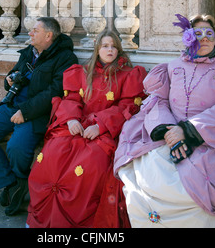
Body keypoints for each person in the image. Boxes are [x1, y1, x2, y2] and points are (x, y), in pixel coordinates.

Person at [114, 13, 215, 228]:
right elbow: (158, 101)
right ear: (188, 37)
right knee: (146, 177)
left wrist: (187, 131)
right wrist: (169, 131)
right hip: (168, 136)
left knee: (192, 192)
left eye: (209, 34)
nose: (204, 39)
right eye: (198, 33)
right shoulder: (172, 66)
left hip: (208, 138)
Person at [26, 30, 147, 228]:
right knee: (53, 153)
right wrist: (71, 120)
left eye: (113, 46)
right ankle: (46, 218)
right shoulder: (82, 72)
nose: (110, 50)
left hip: (106, 132)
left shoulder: (128, 75)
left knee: (90, 165)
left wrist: (101, 126)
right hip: (77, 126)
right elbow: (72, 98)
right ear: (97, 48)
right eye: (105, 46)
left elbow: (127, 106)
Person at [0, 17, 78, 216]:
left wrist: (25, 112)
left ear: (48, 35)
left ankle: (18, 180)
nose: (30, 33)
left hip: (36, 114)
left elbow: (54, 92)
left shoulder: (65, 58)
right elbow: (16, 71)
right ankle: (11, 184)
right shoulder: (30, 51)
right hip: (11, 105)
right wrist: (8, 79)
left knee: (17, 147)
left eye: (35, 30)